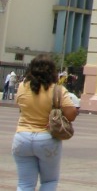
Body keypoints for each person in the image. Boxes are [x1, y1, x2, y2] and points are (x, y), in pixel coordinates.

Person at [11, 54, 78, 190]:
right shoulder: (58, 90)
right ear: (52, 71)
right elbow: (71, 114)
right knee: (49, 182)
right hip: (47, 139)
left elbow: (19, 105)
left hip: (22, 137)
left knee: (24, 184)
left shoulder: (22, 87)